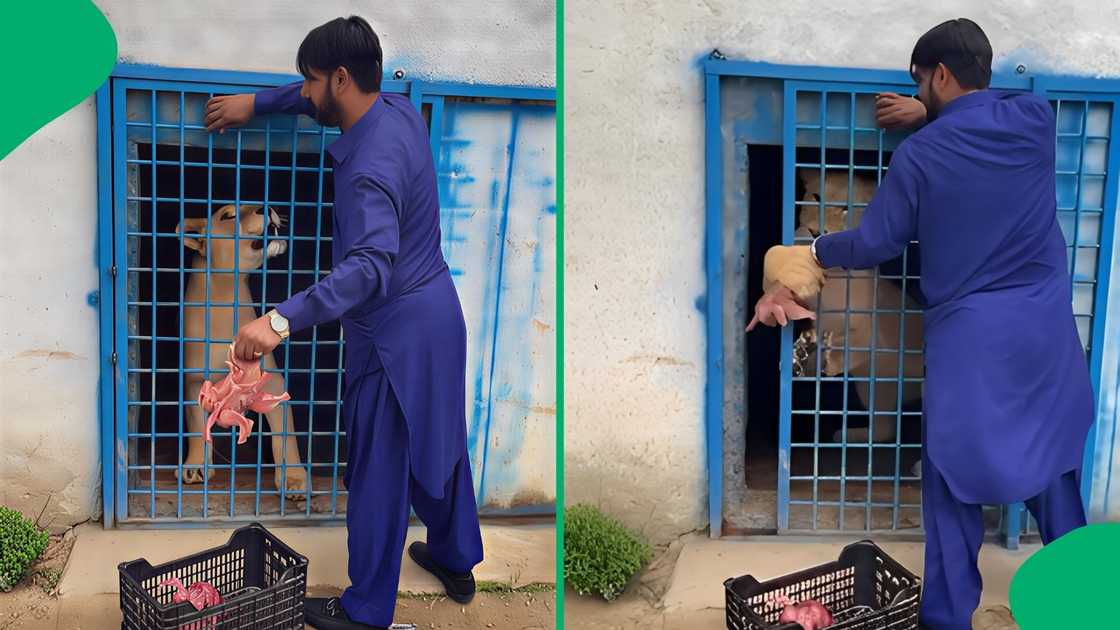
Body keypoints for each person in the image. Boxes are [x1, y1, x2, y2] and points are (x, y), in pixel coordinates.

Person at [760, 18, 1094, 630]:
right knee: (1051, 470)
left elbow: (878, 241)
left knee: (951, 483)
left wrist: (811, 252)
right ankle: (1086, 609)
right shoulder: (1034, 120)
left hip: (971, 342)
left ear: (939, 75)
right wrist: (930, 111)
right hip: (1044, 336)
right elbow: (989, 111)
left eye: (921, 83)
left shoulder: (921, 156)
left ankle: (945, 619)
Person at [204, 16, 484, 630]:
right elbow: (316, 103)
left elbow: (368, 269)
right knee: (440, 444)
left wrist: (276, 321)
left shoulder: (365, 175)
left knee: (378, 471)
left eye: (307, 82)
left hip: (392, 339)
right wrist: (258, 103)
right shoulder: (397, 112)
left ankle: (364, 612)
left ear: (339, 78)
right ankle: (455, 556)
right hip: (440, 316)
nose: (302, 93)